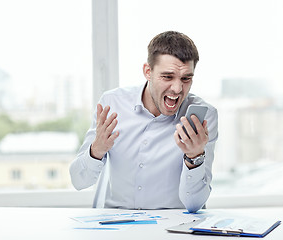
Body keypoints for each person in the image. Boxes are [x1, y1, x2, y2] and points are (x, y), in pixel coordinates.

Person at [70, 31, 218, 213]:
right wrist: (96, 150)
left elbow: (195, 204)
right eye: (167, 77)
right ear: (148, 71)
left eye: (186, 78)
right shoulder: (112, 104)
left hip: (172, 227)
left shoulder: (203, 117)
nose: (178, 88)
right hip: (117, 224)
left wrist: (194, 158)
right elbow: (78, 180)